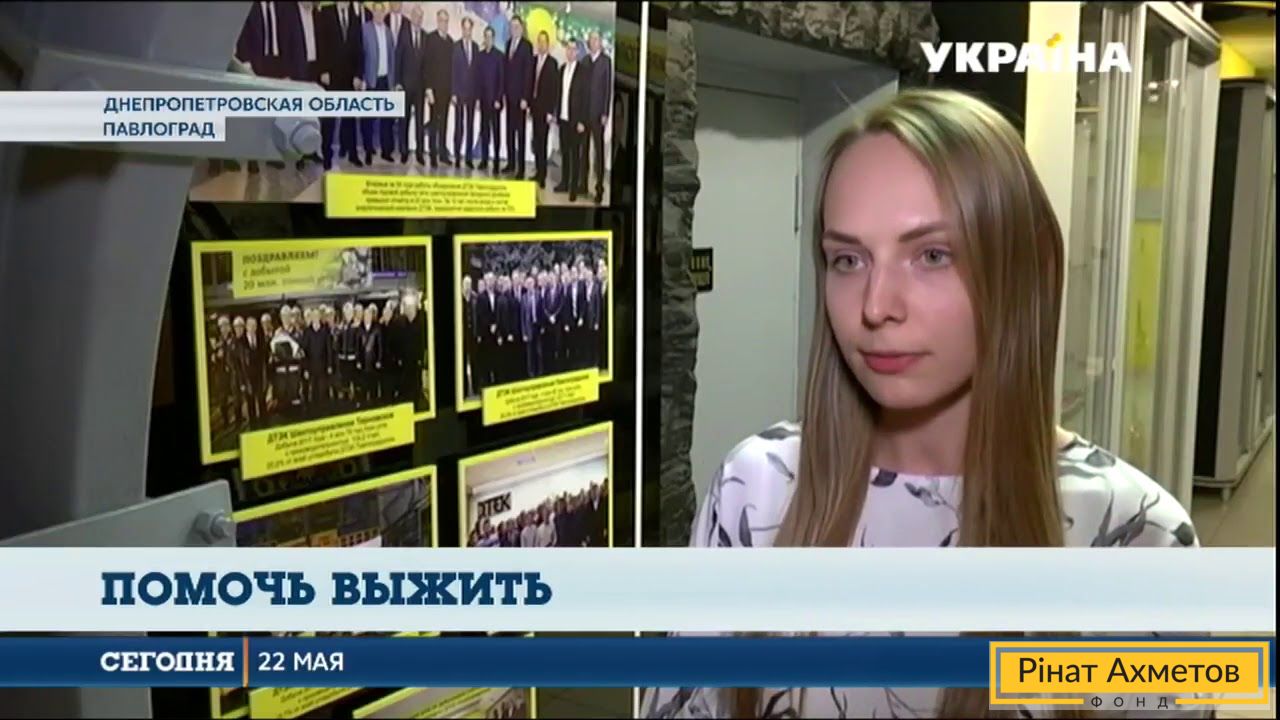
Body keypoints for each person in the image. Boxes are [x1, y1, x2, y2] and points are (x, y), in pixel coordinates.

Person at [638, 89, 1200, 720]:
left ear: (1026, 267)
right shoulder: (756, 488)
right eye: (847, 259)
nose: (876, 305)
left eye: (932, 255)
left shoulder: (1136, 536)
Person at [316, 0, 364, 169]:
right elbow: (320, 43)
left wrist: (358, 75)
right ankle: (327, 155)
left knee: (349, 118)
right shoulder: (325, 12)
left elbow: (359, 48)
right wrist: (323, 70)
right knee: (329, 119)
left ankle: (352, 153)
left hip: (350, 78)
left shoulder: (355, 16)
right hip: (331, 75)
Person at [360, 3, 397, 165]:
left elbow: (392, 58)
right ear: (373, 13)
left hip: (385, 81)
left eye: (382, 12)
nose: (379, 15)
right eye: (376, 12)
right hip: (371, 80)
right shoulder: (365, 29)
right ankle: (368, 151)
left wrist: (392, 82)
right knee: (368, 119)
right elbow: (361, 55)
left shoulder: (388, 32)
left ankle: (386, 151)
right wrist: (362, 78)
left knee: (387, 119)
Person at [555, 39, 590, 202]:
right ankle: (564, 182)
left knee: (575, 154)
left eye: (573, 49)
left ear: (577, 52)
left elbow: (586, 98)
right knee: (565, 152)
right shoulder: (562, 69)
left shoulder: (583, 72)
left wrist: (582, 121)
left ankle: (574, 188)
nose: (570, 52)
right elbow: (559, 94)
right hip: (563, 118)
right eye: (568, 49)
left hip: (576, 121)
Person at [395, 4, 429, 165]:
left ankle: (420, 152)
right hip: (405, 85)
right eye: (416, 16)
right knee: (404, 120)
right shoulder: (403, 35)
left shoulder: (425, 36)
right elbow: (398, 59)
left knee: (420, 121)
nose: (418, 19)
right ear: (411, 17)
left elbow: (427, 64)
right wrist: (397, 82)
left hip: (420, 87)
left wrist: (427, 86)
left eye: (420, 17)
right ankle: (404, 151)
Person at [503, 15, 534, 178]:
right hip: (509, 97)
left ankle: (521, 168)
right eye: (512, 26)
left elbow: (528, 74)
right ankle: (510, 163)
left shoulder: (527, 46)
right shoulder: (508, 44)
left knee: (520, 134)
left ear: (521, 28)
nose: (514, 29)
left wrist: (525, 98)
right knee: (509, 131)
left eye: (516, 26)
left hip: (520, 99)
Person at [423, 8, 454, 168]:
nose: (444, 24)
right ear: (437, 21)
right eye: (441, 20)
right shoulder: (430, 39)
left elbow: (452, 69)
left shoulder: (450, 42)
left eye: (446, 21)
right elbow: (426, 65)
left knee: (444, 124)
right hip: (433, 91)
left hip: (446, 91)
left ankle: (442, 153)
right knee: (434, 123)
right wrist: (428, 89)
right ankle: (433, 155)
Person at [585, 32, 612, 204]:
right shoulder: (585, 61)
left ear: (600, 42)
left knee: (599, 151)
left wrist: (605, 113)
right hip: (585, 114)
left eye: (596, 39)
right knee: (583, 150)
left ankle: (599, 188)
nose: (594, 42)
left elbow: (607, 88)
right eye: (591, 40)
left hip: (598, 115)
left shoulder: (606, 62)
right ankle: (582, 184)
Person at [529, 31, 559, 187]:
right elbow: (530, 83)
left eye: (543, 42)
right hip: (534, 108)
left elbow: (554, 89)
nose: (541, 44)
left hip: (545, 111)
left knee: (543, 141)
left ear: (548, 44)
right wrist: (529, 106)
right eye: (539, 41)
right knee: (536, 141)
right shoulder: (533, 60)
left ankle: (542, 175)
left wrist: (550, 112)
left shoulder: (552, 63)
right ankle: (537, 171)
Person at [475, 26, 506, 173]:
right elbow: (477, 79)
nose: (488, 39)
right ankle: (484, 159)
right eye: (486, 36)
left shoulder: (499, 56)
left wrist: (498, 99)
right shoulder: (480, 56)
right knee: (485, 131)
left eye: (490, 37)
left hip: (495, 102)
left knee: (496, 132)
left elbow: (502, 80)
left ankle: (496, 161)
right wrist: (477, 99)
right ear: (484, 38)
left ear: (493, 39)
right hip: (483, 101)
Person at [451, 18, 480, 169]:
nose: (467, 32)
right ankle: (457, 156)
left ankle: (468, 157)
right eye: (465, 29)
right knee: (459, 126)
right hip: (459, 93)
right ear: (462, 29)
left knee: (470, 126)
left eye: (469, 29)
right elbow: (452, 71)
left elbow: (477, 73)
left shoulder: (475, 47)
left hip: (472, 94)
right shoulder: (455, 47)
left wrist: (478, 97)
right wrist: (453, 93)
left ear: (471, 30)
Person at [301, 306, 334, 416]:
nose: (315, 317)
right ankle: (314, 413)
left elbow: (329, 349)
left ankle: (322, 412)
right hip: (311, 367)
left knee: (322, 391)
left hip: (323, 367)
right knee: (313, 391)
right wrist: (305, 368)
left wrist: (329, 365)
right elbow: (304, 352)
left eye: (317, 315)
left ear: (319, 317)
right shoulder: (307, 331)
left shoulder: (325, 330)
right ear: (311, 317)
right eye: (313, 316)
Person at [241, 315, 268, 423]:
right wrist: (242, 381)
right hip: (248, 377)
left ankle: (264, 423)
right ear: (246, 327)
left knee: (262, 401)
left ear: (256, 327)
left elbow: (265, 358)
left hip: (260, 376)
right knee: (250, 403)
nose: (252, 328)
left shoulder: (261, 339)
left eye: (254, 326)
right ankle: (253, 424)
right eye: (250, 325)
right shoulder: (241, 342)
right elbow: (240, 363)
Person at [357, 303, 383, 405]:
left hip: (373, 361)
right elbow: (357, 346)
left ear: (372, 316)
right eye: (365, 315)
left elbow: (380, 346)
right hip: (363, 362)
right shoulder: (360, 329)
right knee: (363, 385)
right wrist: (358, 360)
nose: (367, 317)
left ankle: (374, 403)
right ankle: (363, 403)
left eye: (369, 315)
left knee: (373, 385)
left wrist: (379, 360)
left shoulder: (377, 328)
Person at [540, 269, 564, 374]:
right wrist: (549, 316)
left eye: (553, 277)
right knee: (549, 346)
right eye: (550, 278)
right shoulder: (547, 290)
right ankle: (551, 368)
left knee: (558, 346)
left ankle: (558, 368)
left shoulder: (560, 289)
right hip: (548, 323)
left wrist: (554, 316)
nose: (551, 279)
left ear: (556, 278)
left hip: (557, 322)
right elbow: (544, 306)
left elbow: (561, 304)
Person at [520, 274, 542, 380]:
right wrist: (524, 332)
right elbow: (522, 317)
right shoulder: (523, 298)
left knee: (539, 351)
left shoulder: (538, 295)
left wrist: (542, 326)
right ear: (525, 285)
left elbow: (542, 311)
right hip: (528, 328)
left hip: (538, 326)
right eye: (528, 283)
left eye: (531, 283)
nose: (530, 285)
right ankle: (531, 373)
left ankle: (540, 372)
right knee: (530, 353)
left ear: (534, 284)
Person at [461, 276, 477, 397]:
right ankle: (463, 389)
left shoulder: (475, 297)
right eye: (466, 284)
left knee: (474, 361)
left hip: (473, 333)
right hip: (462, 334)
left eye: (469, 284)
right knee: (462, 362)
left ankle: (475, 388)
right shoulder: (458, 297)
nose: (467, 286)